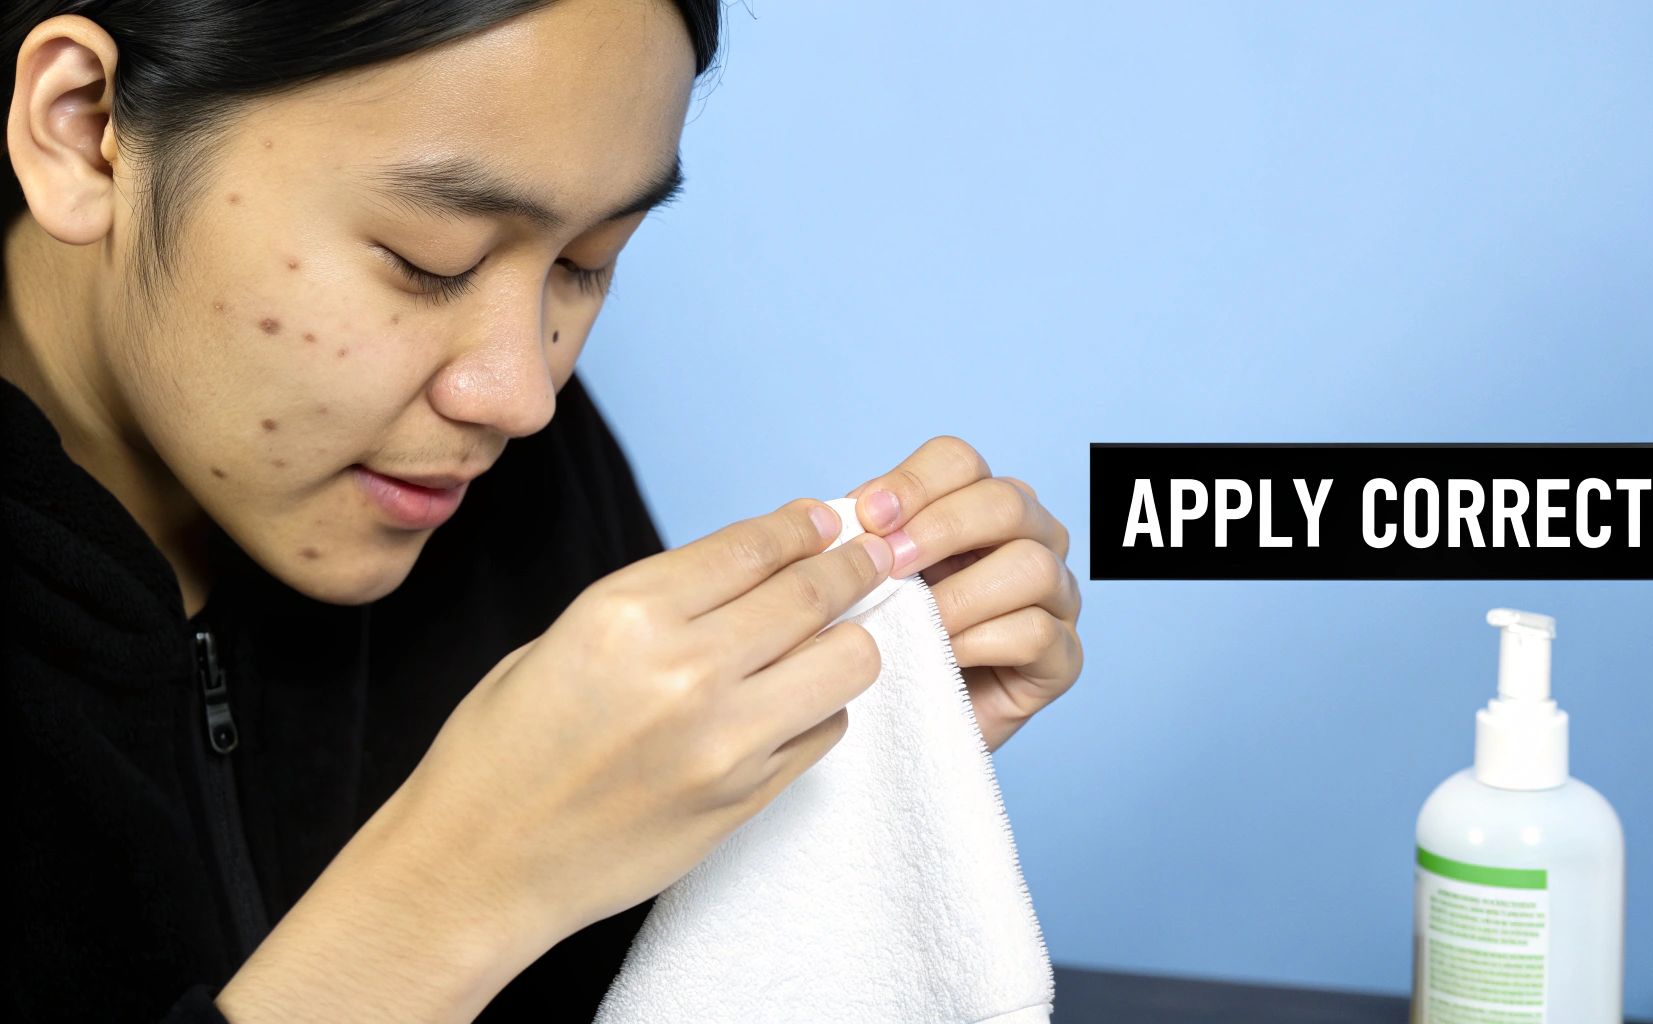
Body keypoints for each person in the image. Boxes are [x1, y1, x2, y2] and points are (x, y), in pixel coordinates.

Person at [0, 1, 1085, 1020]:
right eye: (430, 261)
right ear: (85, 131)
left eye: (585, 264)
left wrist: (845, 767)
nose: (522, 396)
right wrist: (456, 890)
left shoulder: (523, 483)